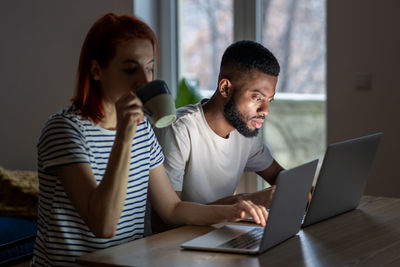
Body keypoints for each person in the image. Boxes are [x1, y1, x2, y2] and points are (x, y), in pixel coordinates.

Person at [31, 14, 268, 266]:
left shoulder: (142, 128)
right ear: (96, 71)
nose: (144, 81)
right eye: (131, 69)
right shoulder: (64, 130)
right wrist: (123, 136)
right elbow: (103, 225)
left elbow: (171, 209)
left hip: (125, 262)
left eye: (149, 68)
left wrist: (233, 211)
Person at [153, 40, 284, 231]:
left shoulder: (245, 132)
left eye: (269, 100)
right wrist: (247, 201)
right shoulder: (179, 129)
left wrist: (305, 191)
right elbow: (164, 220)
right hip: (174, 246)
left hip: (214, 237)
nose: (265, 110)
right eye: (257, 98)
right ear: (225, 88)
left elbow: (277, 175)